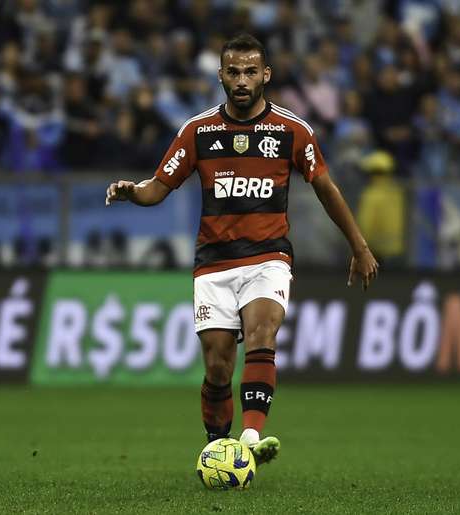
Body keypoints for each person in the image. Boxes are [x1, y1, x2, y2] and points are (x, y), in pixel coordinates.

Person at [104, 34, 378, 467]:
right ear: (221, 76)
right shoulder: (198, 131)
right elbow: (159, 187)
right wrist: (131, 191)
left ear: (266, 75)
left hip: (269, 256)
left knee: (262, 332)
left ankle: (249, 439)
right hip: (213, 263)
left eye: (251, 71)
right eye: (233, 72)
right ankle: (219, 444)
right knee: (217, 368)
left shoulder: (291, 130)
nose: (242, 80)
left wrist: (359, 246)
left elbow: (325, 187)